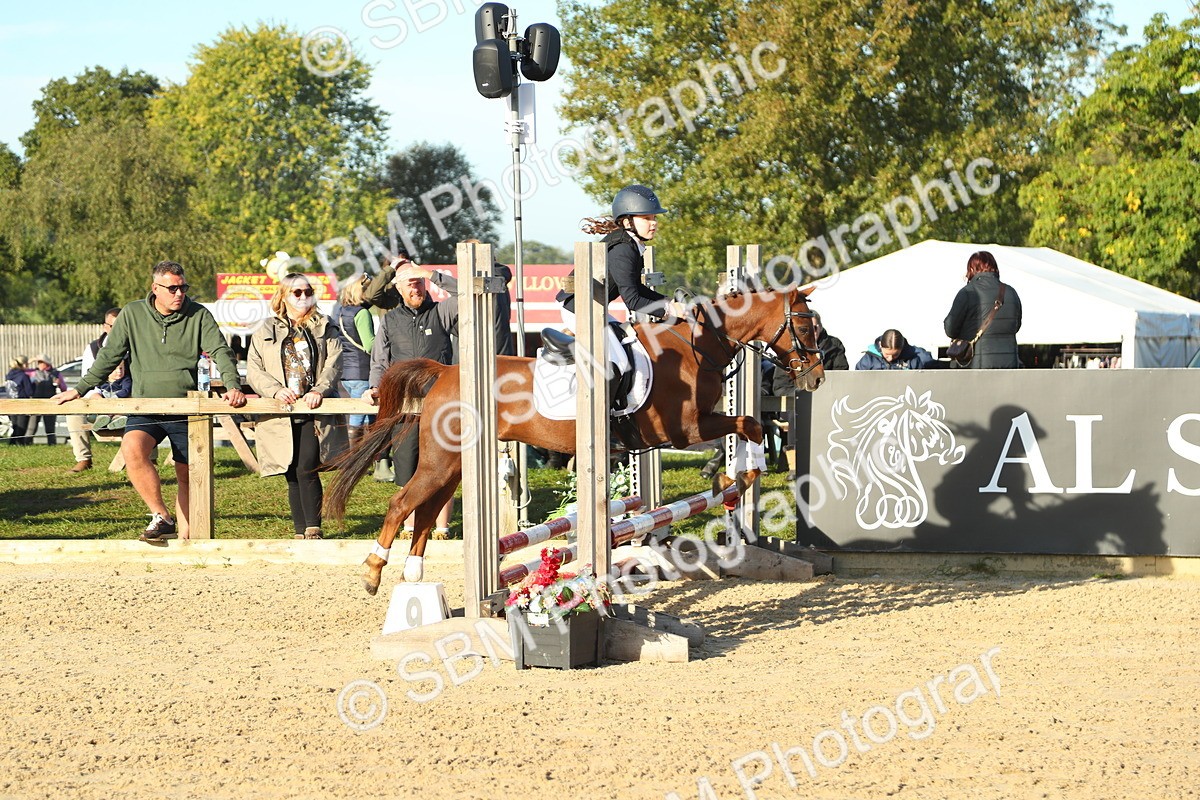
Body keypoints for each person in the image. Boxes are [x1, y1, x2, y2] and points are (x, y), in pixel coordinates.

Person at [56, 260, 246, 542]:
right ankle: (161, 516)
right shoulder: (133, 313)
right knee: (132, 449)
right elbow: (109, 356)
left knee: (187, 474)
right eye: (172, 288)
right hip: (145, 405)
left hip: (187, 407)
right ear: (155, 288)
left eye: (183, 287)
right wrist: (81, 388)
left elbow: (220, 351)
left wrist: (232, 385)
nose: (179, 293)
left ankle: (187, 540)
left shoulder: (198, 314)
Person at [555, 184, 685, 403]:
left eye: (654, 217)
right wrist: (668, 310)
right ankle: (605, 410)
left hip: (593, 308)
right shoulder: (624, 249)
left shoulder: (630, 244)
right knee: (619, 361)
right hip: (579, 310)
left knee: (631, 344)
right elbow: (633, 300)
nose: (654, 223)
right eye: (646, 218)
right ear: (627, 222)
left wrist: (668, 302)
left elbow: (637, 289)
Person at [366, 261, 461, 538]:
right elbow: (380, 359)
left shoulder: (440, 312)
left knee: (443, 468)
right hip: (405, 405)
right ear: (398, 289)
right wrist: (374, 387)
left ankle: (441, 529)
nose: (415, 288)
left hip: (440, 403)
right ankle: (408, 528)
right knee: (407, 466)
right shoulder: (390, 320)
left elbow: (466, 294)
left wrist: (431, 274)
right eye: (409, 284)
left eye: (418, 282)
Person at [247, 273, 345, 540]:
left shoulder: (325, 325)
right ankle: (300, 531)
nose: (303, 296)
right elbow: (254, 369)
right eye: (297, 292)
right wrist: (275, 390)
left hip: (313, 409)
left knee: (307, 467)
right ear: (283, 296)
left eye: (308, 291)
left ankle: (313, 527)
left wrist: (319, 390)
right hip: (281, 410)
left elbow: (335, 362)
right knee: (290, 471)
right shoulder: (265, 329)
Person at [944, 250, 1023, 369]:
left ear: (971, 269)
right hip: (1009, 364)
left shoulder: (968, 292)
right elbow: (1016, 326)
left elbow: (950, 329)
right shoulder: (1011, 292)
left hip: (976, 365)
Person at [66, 308, 122, 472]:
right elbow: (87, 376)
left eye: (121, 326)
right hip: (100, 398)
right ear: (105, 327)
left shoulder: (136, 346)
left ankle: (151, 458)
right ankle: (83, 459)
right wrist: (95, 395)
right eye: (112, 326)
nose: (117, 331)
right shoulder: (92, 348)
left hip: (127, 397)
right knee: (73, 411)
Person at [329, 276, 376, 448]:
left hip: (346, 373)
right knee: (362, 413)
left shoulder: (340, 311)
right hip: (362, 370)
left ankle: (364, 453)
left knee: (362, 414)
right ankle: (354, 454)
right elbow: (369, 345)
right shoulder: (361, 313)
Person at [28, 355, 67, 444]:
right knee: (31, 427)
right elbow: (21, 369)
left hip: (50, 402)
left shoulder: (56, 373)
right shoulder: (33, 372)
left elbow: (64, 388)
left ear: (46, 363)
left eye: (41, 362)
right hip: (36, 403)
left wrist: (59, 383)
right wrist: (32, 359)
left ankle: (52, 444)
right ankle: (27, 443)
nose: (39, 364)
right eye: (38, 362)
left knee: (50, 427)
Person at [854, 329, 934, 370]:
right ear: (880, 345)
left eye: (895, 354)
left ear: (902, 348)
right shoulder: (868, 360)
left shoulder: (913, 360)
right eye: (887, 354)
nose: (890, 358)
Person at [4, 356, 33, 445]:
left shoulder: (9, 375)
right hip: (22, 404)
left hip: (10, 403)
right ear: (23, 364)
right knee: (21, 428)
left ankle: (12, 444)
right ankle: (19, 444)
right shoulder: (23, 376)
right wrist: (35, 384)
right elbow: (29, 391)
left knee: (15, 426)